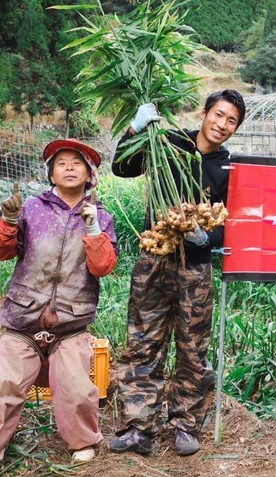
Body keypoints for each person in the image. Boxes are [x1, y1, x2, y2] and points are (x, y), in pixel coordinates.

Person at [0, 139, 118, 477]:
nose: (68, 167)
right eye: (61, 162)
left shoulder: (101, 217)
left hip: (70, 323)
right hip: (23, 319)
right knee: (3, 386)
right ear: (50, 172)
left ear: (90, 175)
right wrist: (7, 220)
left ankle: (82, 441)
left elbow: (103, 266)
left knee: (78, 390)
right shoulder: (32, 209)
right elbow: (1, 252)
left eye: (77, 163)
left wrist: (92, 228)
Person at [108, 90, 246, 456]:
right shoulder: (169, 142)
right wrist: (135, 130)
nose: (222, 125)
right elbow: (121, 168)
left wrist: (207, 237)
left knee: (192, 350)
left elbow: (231, 224)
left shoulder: (230, 169)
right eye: (218, 115)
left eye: (231, 121)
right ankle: (138, 428)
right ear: (204, 113)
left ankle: (185, 426)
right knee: (143, 343)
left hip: (195, 267)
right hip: (154, 256)